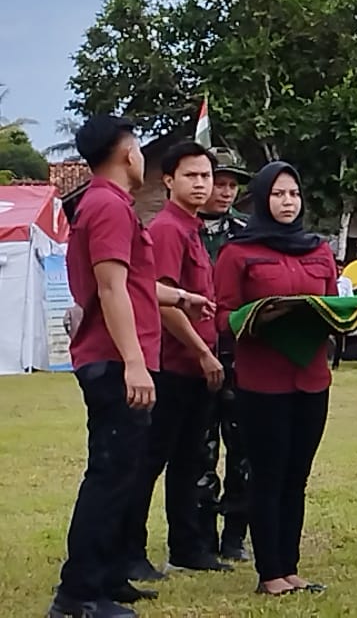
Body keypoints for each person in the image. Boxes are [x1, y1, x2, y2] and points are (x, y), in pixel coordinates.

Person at [49, 115, 216, 618]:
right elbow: (110, 287)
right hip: (113, 360)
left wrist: (181, 295)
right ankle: (78, 594)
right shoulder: (107, 205)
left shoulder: (112, 206)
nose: (142, 157)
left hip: (117, 357)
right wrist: (134, 363)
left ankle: (108, 576)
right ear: (126, 155)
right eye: (139, 148)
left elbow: (136, 280)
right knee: (109, 474)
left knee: (123, 473)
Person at [214, 162, 336, 597]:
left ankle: (291, 568)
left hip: (312, 378)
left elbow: (334, 307)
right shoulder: (237, 252)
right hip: (262, 382)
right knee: (267, 475)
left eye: (294, 194)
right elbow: (222, 317)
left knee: (296, 477)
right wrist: (261, 315)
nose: (288, 202)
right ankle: (270, 574)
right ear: (263, 198)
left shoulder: (319, 250)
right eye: (279, 194)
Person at [122, 142, 232, 582]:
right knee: (151, 461)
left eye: (206, 176)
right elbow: (163, 302)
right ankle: (130, 550)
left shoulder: (194, 229)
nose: (202, 184)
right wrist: (203, 352)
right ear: (168, 180)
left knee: (189, 462)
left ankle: (187, 546)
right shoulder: (168, 229)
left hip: (194, 370)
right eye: (192, 176)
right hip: (171, 366)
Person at [196, 146, 254, 563]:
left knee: (244, 449)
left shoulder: (248, 234)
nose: (226, 191)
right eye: (220, 182)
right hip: (192, 354)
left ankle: (235, 534)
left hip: (241, 356)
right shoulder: (181, 229)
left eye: (233, 185)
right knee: (199, 451)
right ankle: (198, 534)